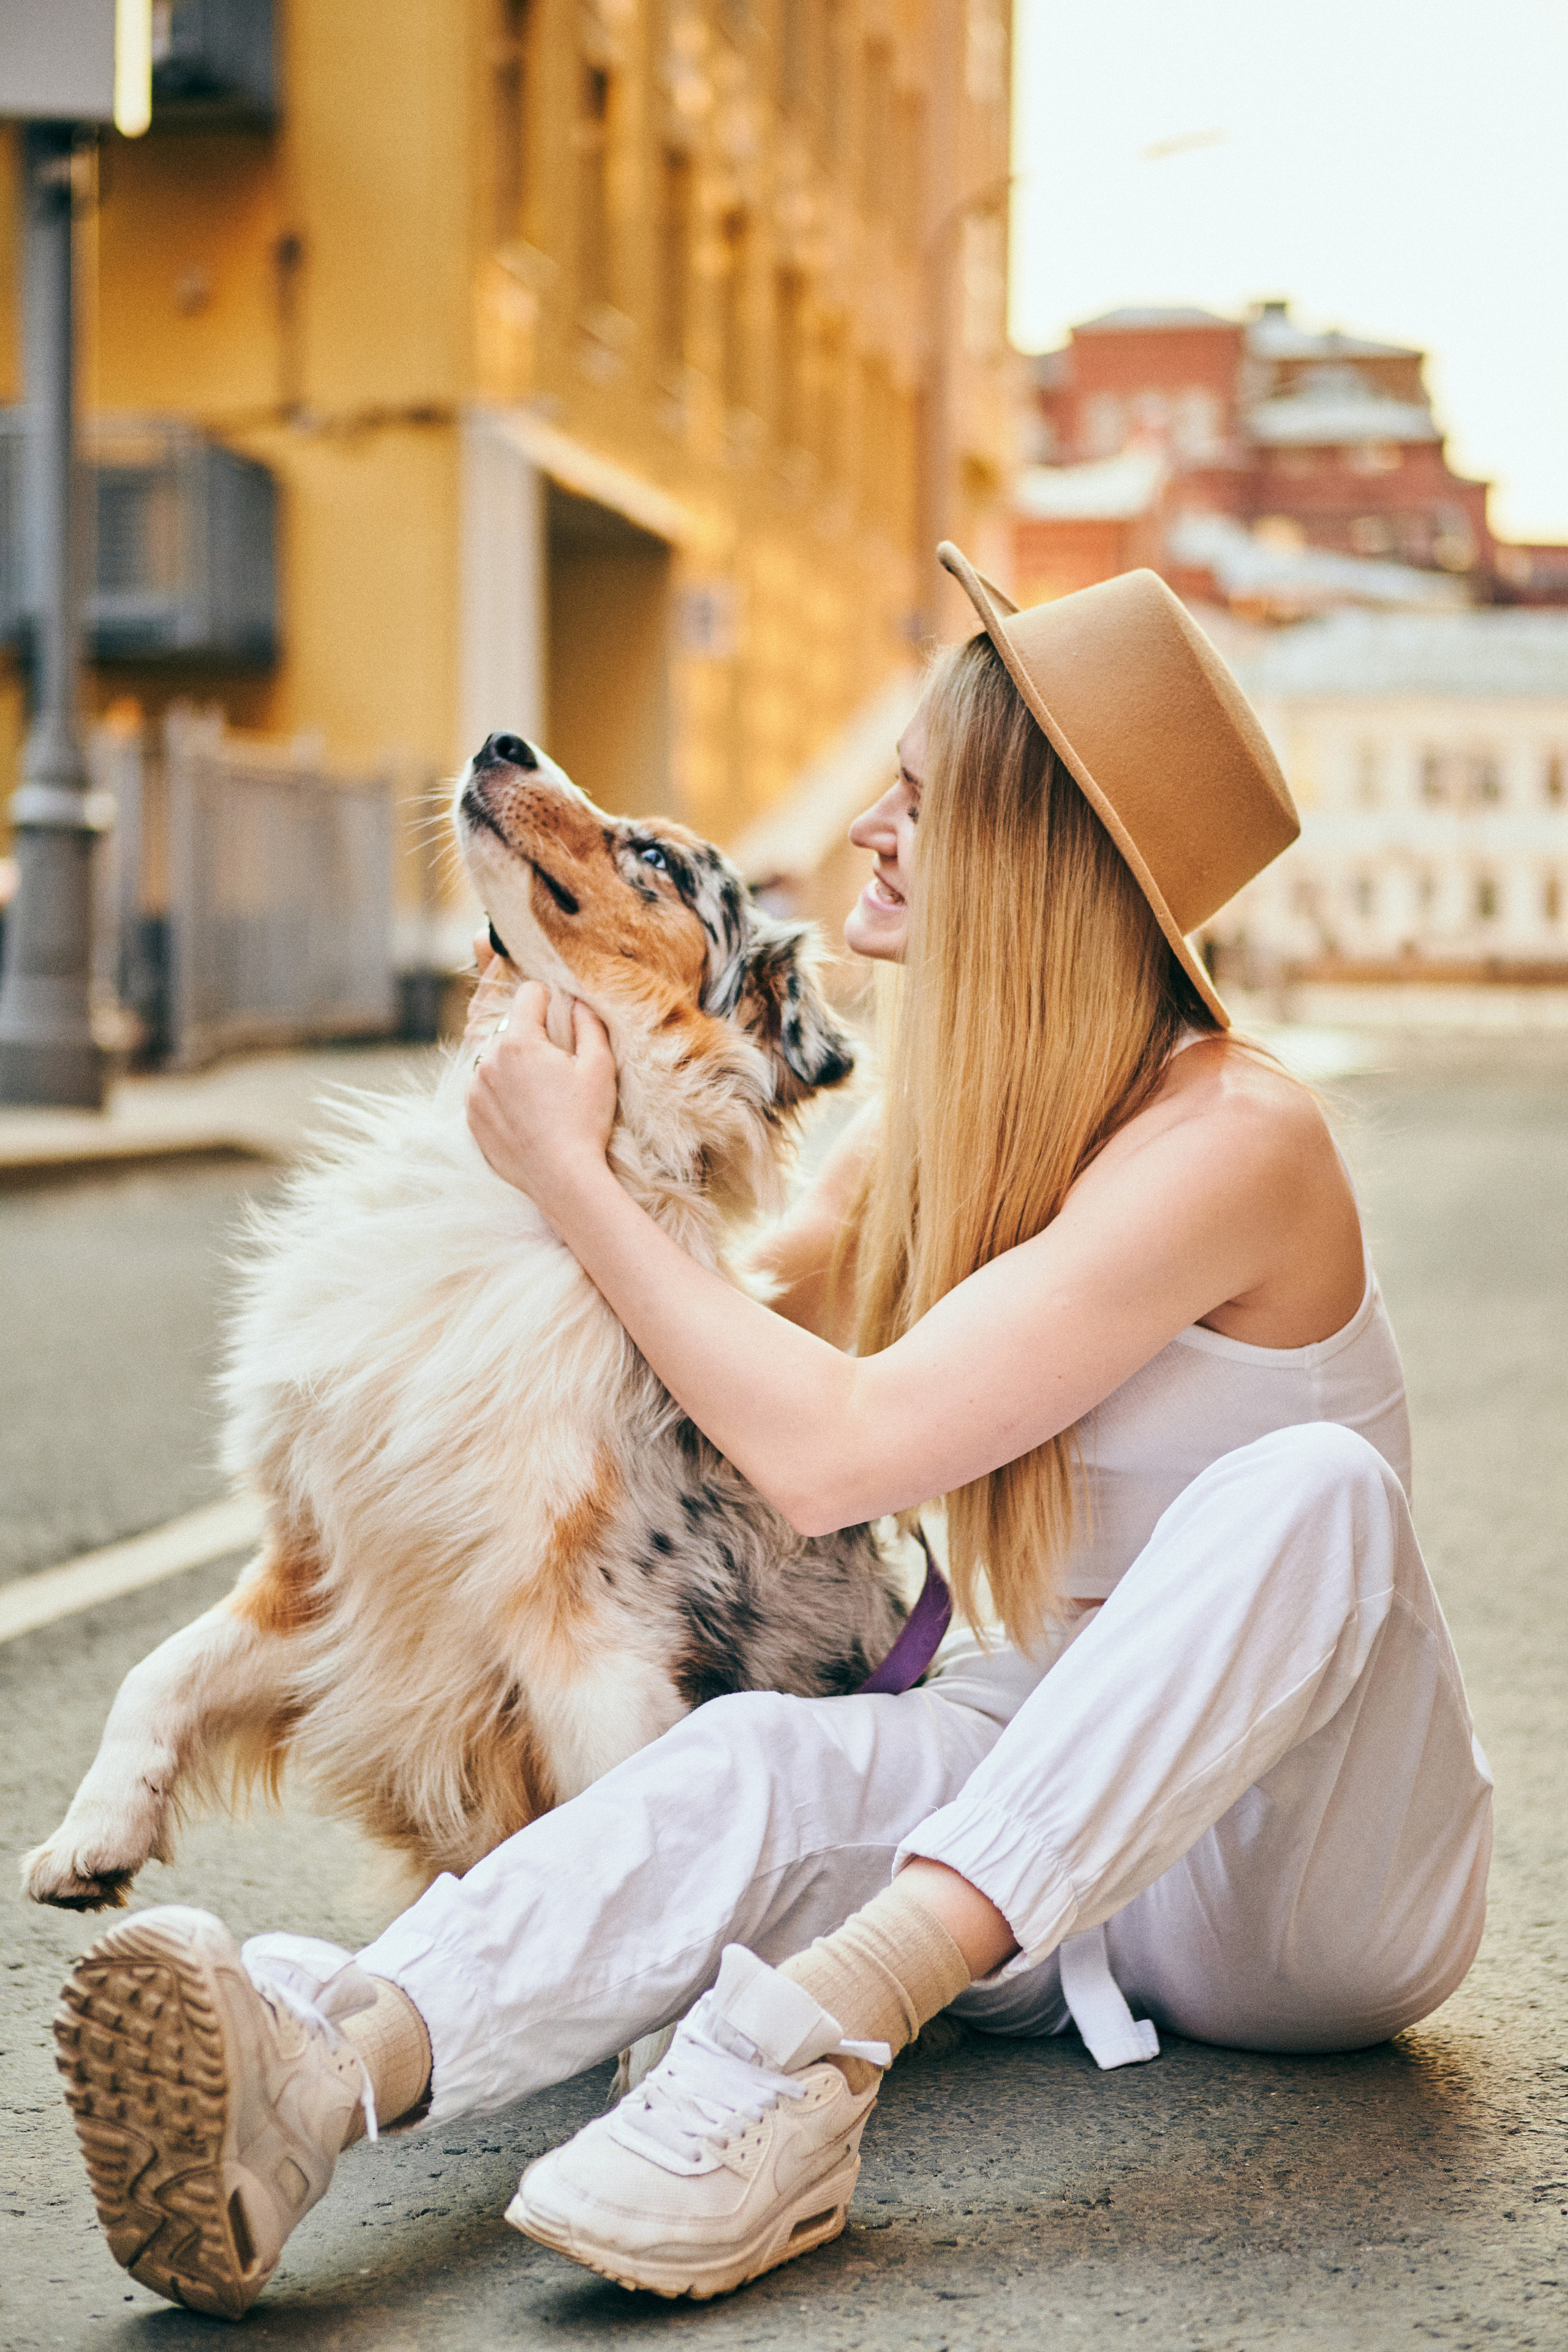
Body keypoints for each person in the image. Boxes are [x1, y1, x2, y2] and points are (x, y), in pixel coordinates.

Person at [51, 548, 1491, 2320]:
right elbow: (694, 1334)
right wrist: (588, 1116)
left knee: (1314, 1491)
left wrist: (572, 1178)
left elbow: (831, 1448)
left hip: (1299, 1883)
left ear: (1043, 863)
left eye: (918, 801)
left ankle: (805, 2047)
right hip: (1034, 1830)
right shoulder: (928, 1147)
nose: (870, 833)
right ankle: (326, 2065)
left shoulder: (1234, 1139)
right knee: (735, 1769)